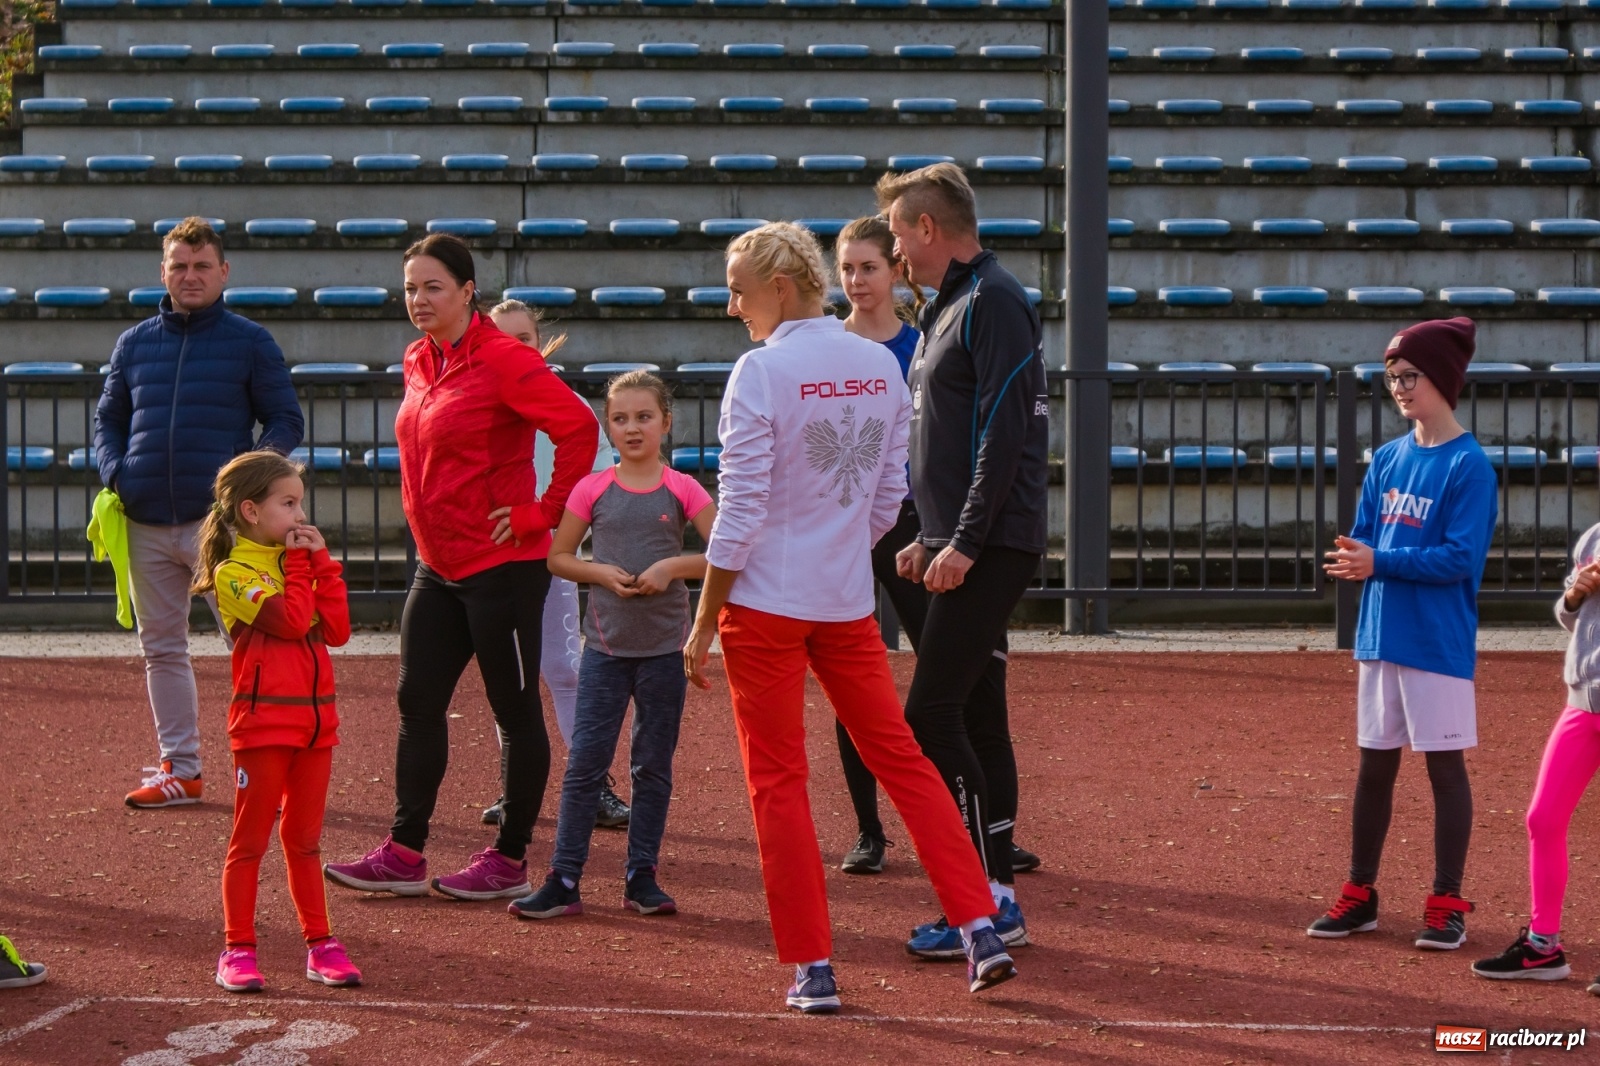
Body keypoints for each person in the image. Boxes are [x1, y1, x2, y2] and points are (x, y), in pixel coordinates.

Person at [683, 221, 1016, 1014]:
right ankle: (980, 923)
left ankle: (813, 968)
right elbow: (884, 503)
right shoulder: (876, 363)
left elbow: (741, 515)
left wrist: (703, 620)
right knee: (902, 758)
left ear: (780, 287)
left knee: (779, 784)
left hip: (764, 607)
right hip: (842, 602)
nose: (733, 307)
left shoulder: (759, 372)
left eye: (739, 289)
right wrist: (836, 557)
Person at [323, 235, 600, 902]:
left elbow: (579, 430)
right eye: (411, 288)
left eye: (433, 287)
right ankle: (404, 852)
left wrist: (542, 513)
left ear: (468, 291)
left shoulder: (505, 360)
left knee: (513, 708)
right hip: (438, 564)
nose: (418, 300)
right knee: (416, 702)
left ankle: (509, 860)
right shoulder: (419, 359)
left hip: (503, 566)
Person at [829, 216, 1038, 880]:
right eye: (848, 268)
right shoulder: (826, 352)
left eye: (871, 265)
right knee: (856, 680)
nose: (859, 279)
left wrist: (941, 531)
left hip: (919, 530)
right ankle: (872, 831)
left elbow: (956, 442)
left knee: (960, 685)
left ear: (893, 271)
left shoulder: (927, 342)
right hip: (854, 532)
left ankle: (986, 836)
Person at [875, 165, 1048, 958]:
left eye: (899, 233)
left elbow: (1003, 437)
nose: (894, 250)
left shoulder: (995, 300)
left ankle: (984, 898)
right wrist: (930, 533)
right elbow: (948, 436)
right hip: (964, 536)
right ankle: (991, 894)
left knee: (930, 714)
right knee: (967, 710)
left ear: (929, 228)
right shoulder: (953, 304)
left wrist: (967, 540)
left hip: (995, 540)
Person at [94, 216, 304, 809]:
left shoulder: (250, 340)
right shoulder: (134, 343)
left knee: (249, 646)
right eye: (179, 266)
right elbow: (107, 420)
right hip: (143, 520)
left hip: (217, 526)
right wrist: (117, 473)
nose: (190, 276)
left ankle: (266, 767)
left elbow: (286, 419)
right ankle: (181, 771)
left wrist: (250, 478)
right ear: (163, 271)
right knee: (161, 647)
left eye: (201, 266)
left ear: (223, 272)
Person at [1310, 316, 1497, 951]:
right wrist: (1356, 554)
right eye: (1391, 378)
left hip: (1436, 642)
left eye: (1408, 375)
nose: (1398, 387)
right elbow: (1367, 535)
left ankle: (1447, 901)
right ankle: (1360, 893)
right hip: (1381, 634)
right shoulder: (1387, 458)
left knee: (1445, 771)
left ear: (1442, 377)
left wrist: (1379, 561)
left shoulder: (1469, 466)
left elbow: (1459, 560)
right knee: (1373, 770)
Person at [510, 372, 716, 921]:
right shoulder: (591, 487)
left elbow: (724, 553)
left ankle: (641, 876)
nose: (632, 428)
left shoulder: (684, 488)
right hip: (604, 650)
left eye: (644, 417)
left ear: (666, 423)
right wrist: (599, 574)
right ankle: (564, 877)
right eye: (620, 418)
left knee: (652, 765)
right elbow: (559, 556)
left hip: (665, 652)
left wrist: (672, 566)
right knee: (586, 765)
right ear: (608, 424)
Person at [195, 452, 360, 993]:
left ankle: (321, 945)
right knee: (250, 841)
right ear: (249, 510)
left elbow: (335, 629)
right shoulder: (234, 573)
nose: (299, 515)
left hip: (317, 725)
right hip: (264, 726)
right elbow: (292, 621)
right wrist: (299, 567)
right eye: (287, 504)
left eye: (300, 502)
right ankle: (237, 948)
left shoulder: (300, 562)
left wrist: (324, 562)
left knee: (305, 839)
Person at [483, 299, 631, 831]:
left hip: (546, 558)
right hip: (489, 561)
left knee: (565, 670)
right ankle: (514, 789)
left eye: (523, 338)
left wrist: (553, 540)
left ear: (539, 343)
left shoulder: (567, 406)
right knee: (510, 677)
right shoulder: (476, 402)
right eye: (501, 338)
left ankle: (593, 786)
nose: (513, 347)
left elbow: (591, 489)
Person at [1472, 531, 1600, 991]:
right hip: (1582, 703)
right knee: (1543, 819)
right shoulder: (1594, 535)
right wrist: (1574, 594)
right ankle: (1544, 946)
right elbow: (1573, 619)